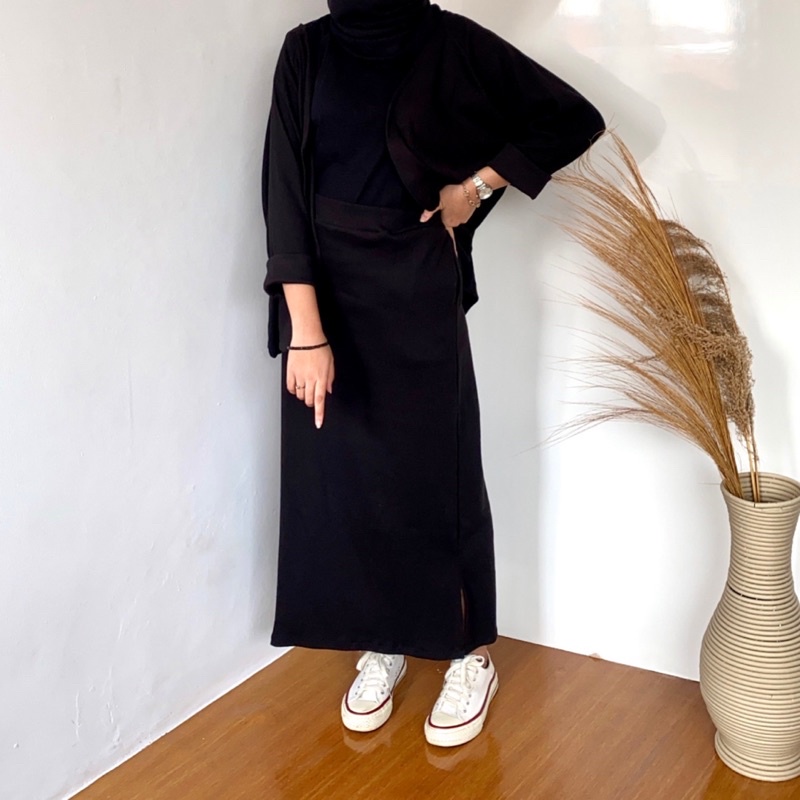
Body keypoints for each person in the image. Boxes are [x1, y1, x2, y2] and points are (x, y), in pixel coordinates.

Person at [260, 0, 605, 748]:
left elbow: (572, 118)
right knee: (345, 477)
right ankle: (383, 636)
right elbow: (283, 192)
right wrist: (306, 332)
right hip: (326, 296)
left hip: (416, 281)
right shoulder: (306, 51)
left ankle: (467, 652)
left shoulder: (450, 41)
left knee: (436, 475)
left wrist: (474, 189)